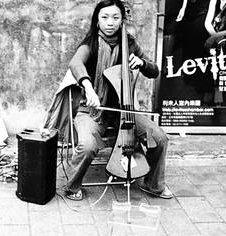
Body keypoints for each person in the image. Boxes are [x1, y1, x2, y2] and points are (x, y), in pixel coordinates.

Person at [63, 0, 172, 201]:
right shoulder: (91, 43)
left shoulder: (129, 43)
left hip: (125, 110)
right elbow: (75, 63)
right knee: (87, 146)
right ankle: (72, 186)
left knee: (159, 138)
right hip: (92, 110)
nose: (110, 22)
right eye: (104, 17)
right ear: (97, 21)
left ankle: (153, 185)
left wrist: (142, 63)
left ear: (122, 20)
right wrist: (88, 87)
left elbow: (155, 71)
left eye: (115, 17)